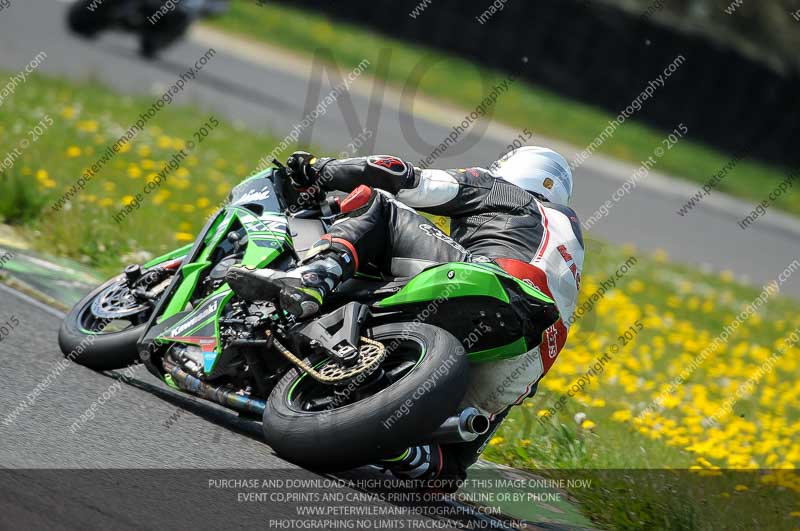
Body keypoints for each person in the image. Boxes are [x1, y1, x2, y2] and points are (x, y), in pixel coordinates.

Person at [226, 146, 584, 487]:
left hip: (492, 289)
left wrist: (319, 169)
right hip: (521, 366)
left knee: (380, 203)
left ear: (513, 171)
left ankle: (312, 279)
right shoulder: (568, 252)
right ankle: (414, 454)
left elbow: (397, 174)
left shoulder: (504, 191)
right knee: (449, 468)